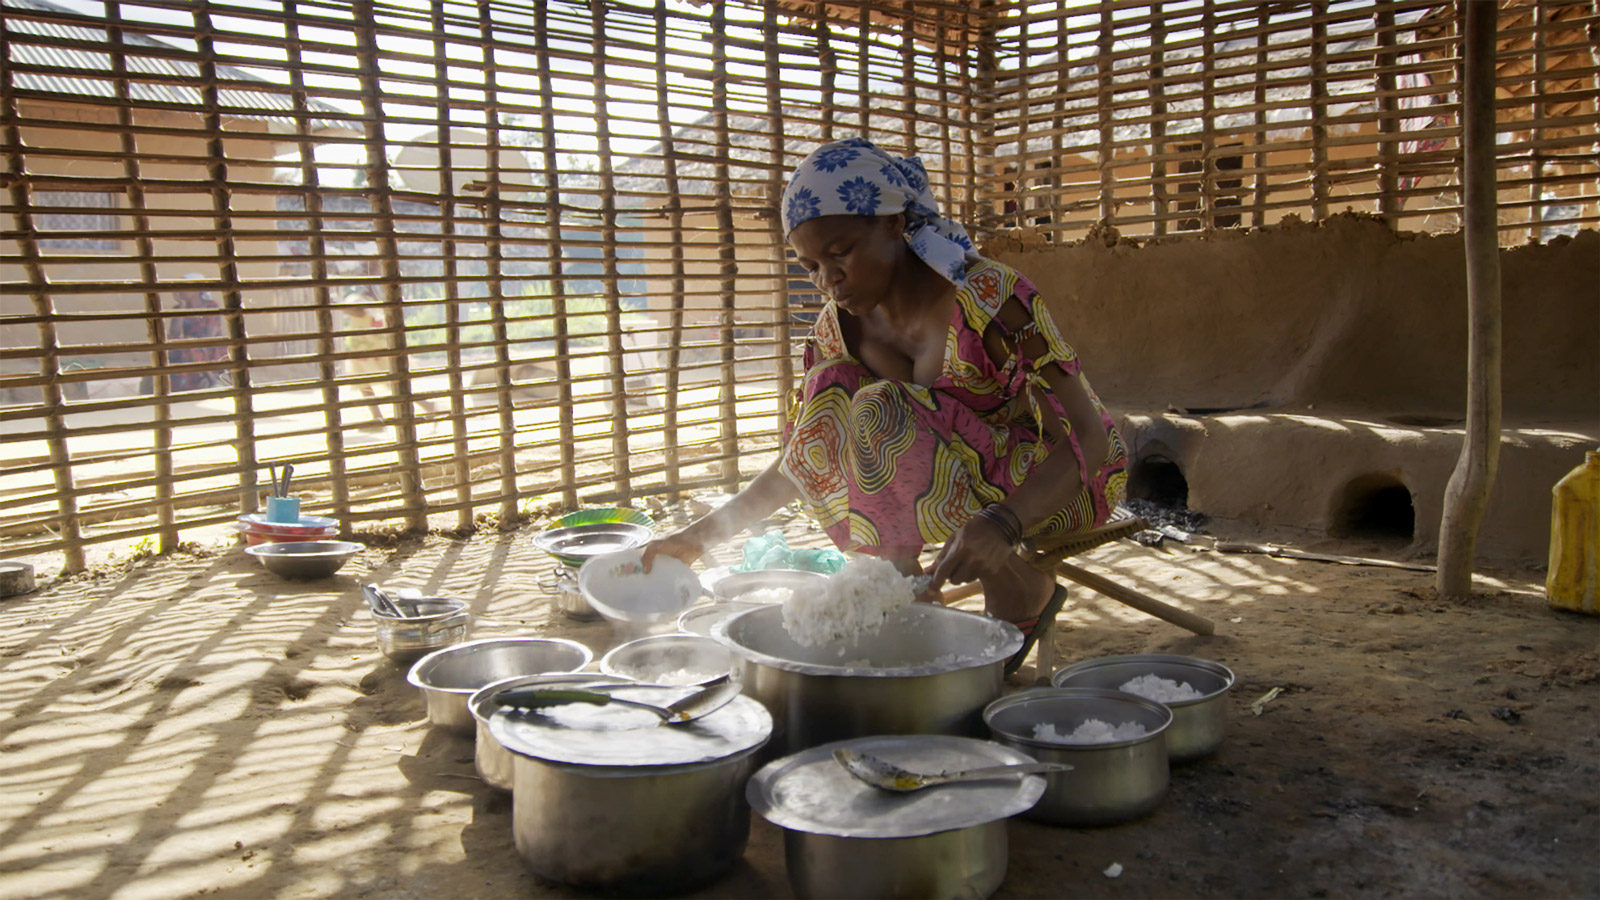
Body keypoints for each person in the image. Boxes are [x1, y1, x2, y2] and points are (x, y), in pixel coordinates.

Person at [643, 137, 1128, 673]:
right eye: (809, 265)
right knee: (836, 391)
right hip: (955, 488)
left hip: (1059, 479)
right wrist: (696, 537)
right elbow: (808, 455)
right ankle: (905, 587)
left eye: (840, 252)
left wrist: (1006, 524)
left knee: (879, 407)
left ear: (895, 224)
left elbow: (1090, 435)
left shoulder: (989, 296)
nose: (828, 280)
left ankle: (1019, 588)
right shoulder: (838, 327)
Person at [164, 276, 229, 392]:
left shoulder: (211, 306)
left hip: (210, 346)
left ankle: (211, 379)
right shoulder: (178, 308)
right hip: (188, 346)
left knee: (190, 345)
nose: (180, 292)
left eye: (184, 288)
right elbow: (174, 333)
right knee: (175, 345)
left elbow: (210, 335)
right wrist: (182, 308)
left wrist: (192, 342)